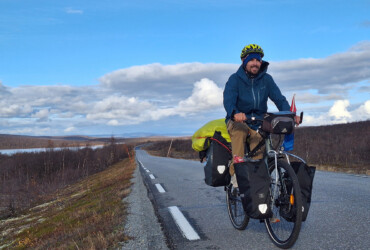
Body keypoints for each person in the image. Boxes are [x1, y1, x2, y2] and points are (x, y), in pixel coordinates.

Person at [223, 43, 299, 187]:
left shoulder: (266, 79)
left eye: (258, 60)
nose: (255, 63)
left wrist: (290, 115)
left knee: (258, 147)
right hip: (238, 120)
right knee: (239, 131)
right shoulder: (234, 79)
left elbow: (279, 99)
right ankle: (236, 173)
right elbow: (228, 99)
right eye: (251, 60)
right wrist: (235, 113)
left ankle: (257, 182)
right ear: (244, 61)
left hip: (258, 122)